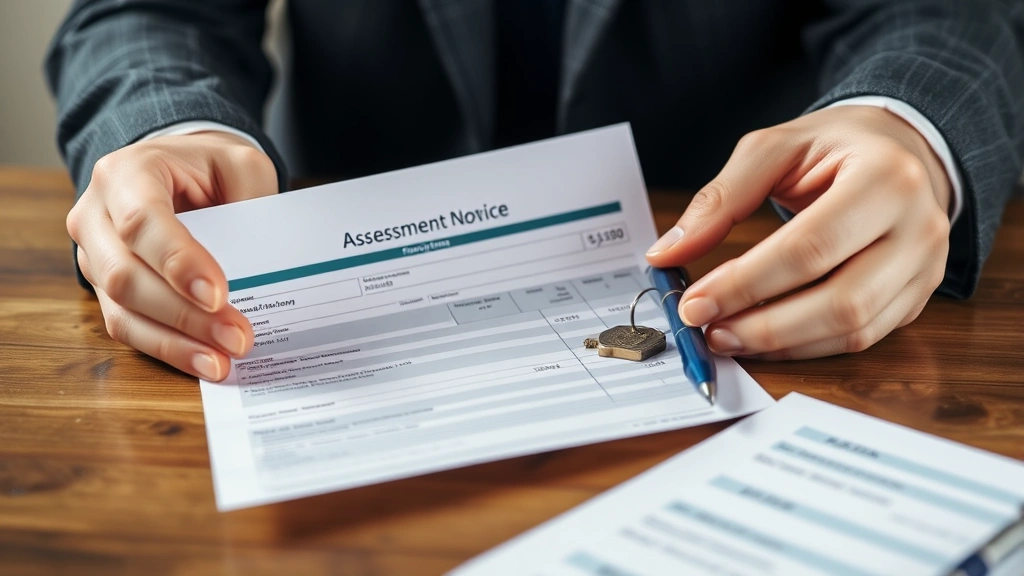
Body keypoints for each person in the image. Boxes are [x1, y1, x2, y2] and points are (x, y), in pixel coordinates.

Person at [46, 1, 1024, 382]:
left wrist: (906, 123)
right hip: (332, 316)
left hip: (754, 289)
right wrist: (169, 132)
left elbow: (949, 14)